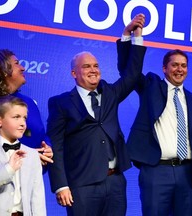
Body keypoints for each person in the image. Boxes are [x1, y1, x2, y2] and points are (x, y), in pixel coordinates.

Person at [47, 14, 146, 216]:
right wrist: (60, 185)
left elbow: (132, 74)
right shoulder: (60, 102)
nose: (93, 70)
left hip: (115, 182)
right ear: (74, 73)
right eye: (86, 66)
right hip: (81, 185)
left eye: (95, 65)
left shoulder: (110, 93)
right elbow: (55, 145)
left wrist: (131, 36)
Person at [116, 23, 192, 216]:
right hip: (156, 171)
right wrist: (132, 37)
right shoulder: (151, 87)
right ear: (164, 68)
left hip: (188, 173)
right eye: (175, 65)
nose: (180, 69)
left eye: (184, 65)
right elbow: (128, 71)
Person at [0, 49, 53, 214]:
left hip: (25, 184)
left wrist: (46, 147)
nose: (23, 68)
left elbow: (35, 133)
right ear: (2, 70)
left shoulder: (27, 103)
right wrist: (25, 151)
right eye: (16, 64)